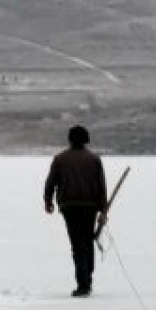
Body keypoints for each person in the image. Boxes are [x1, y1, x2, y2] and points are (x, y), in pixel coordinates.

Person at [44, 125, 108, 297]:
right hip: (90, 206)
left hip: (69, 206)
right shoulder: (94, 160)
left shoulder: (60, 159)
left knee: (77, 244)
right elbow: (101, 186)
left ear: (70, 139)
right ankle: (87, 279)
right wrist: (103, 210)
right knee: (87, 241)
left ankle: (83, 284)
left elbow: (50, 183)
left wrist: (48, 201)